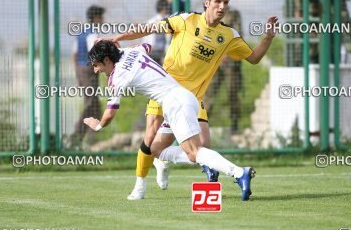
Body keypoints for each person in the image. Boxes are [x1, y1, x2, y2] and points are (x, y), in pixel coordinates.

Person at [109, 0, 277, 200]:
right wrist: (117, 39)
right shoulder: (186, 20)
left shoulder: (228, 35)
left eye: (225, 2)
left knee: (201, 152)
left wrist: (268, 37)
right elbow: (148, 29)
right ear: (207, 2)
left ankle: (165, 159)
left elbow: (253, 58)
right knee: (150, 141)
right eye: (217, 1)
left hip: (193, 99)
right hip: (163, 91)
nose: (222, 6)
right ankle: (139, 187)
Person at [84, 40, 255, 201]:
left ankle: (239, 173)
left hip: (176, 103)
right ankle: (168, 162)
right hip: (182, 99)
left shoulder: (117, 77)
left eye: (96, 65)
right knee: (155, 150)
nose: (95, 70)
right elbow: (147, 46)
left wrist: (98, 125)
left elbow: (110, 114)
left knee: (195, 152)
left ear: (107, 60)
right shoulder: (130, 51)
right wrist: (117, 47)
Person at [70, 5, 105, 147]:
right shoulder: (93, 35)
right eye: (101, 17)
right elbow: (94, 55)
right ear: (96, 18)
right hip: (90, 71)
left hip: (81, 69)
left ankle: (91, 141)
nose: (102, 20)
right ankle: (75, 138)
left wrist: (78, 75)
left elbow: (74, 54)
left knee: (96, 105)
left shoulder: (82, 33)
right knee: (91, 103)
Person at [205, 9, 243, 133]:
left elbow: (238, 36)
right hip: (213, 61)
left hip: (230, 62)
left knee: (232, 92)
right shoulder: (207, 15)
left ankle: (235, 124)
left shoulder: (233, 15)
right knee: (208, 93)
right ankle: (201, 124)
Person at [142, 0, 169, 65]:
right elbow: (148, 39)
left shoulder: (167, 19)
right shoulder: (153, 21)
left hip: (162, 52)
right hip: (154, 52)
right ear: (164, 8)